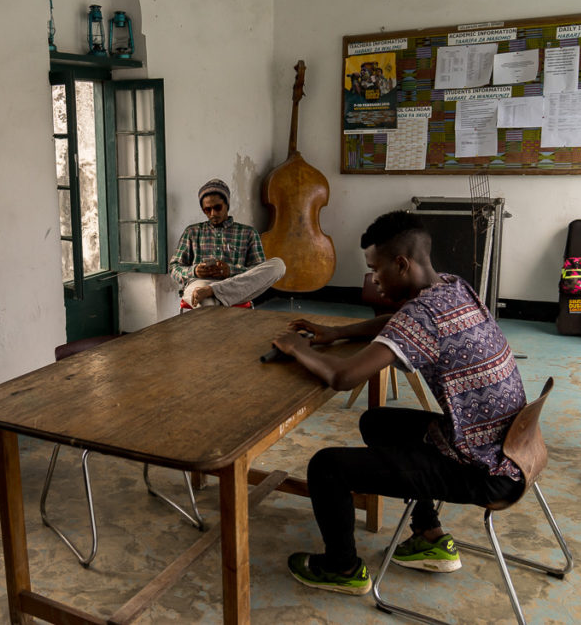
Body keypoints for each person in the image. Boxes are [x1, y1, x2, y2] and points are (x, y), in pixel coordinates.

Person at [270, 210, 527, 595]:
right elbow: (398, 322)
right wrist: (335, 332)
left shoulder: (423, 315)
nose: (373, 278)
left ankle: (341, 568)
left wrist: (296, 348)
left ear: (401, 264)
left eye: (375, 269)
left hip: (485, 471)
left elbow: (343, 377)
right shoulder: (454, 287)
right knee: (377, 423)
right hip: (510, 448)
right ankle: (429, 534)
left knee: (326, 466)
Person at [169, 178, 285, 308]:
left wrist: (231, 270)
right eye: (207, 210)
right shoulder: (192, 232)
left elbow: (257, 271)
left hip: (236, 285)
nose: (213, 214)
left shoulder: (248, 233)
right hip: (199, 284)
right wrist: (194, 271)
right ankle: (212, 294)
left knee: (279, 265)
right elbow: (174, 268)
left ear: (227, 205)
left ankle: (213, 291)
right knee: (207, 304)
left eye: (217, 207)